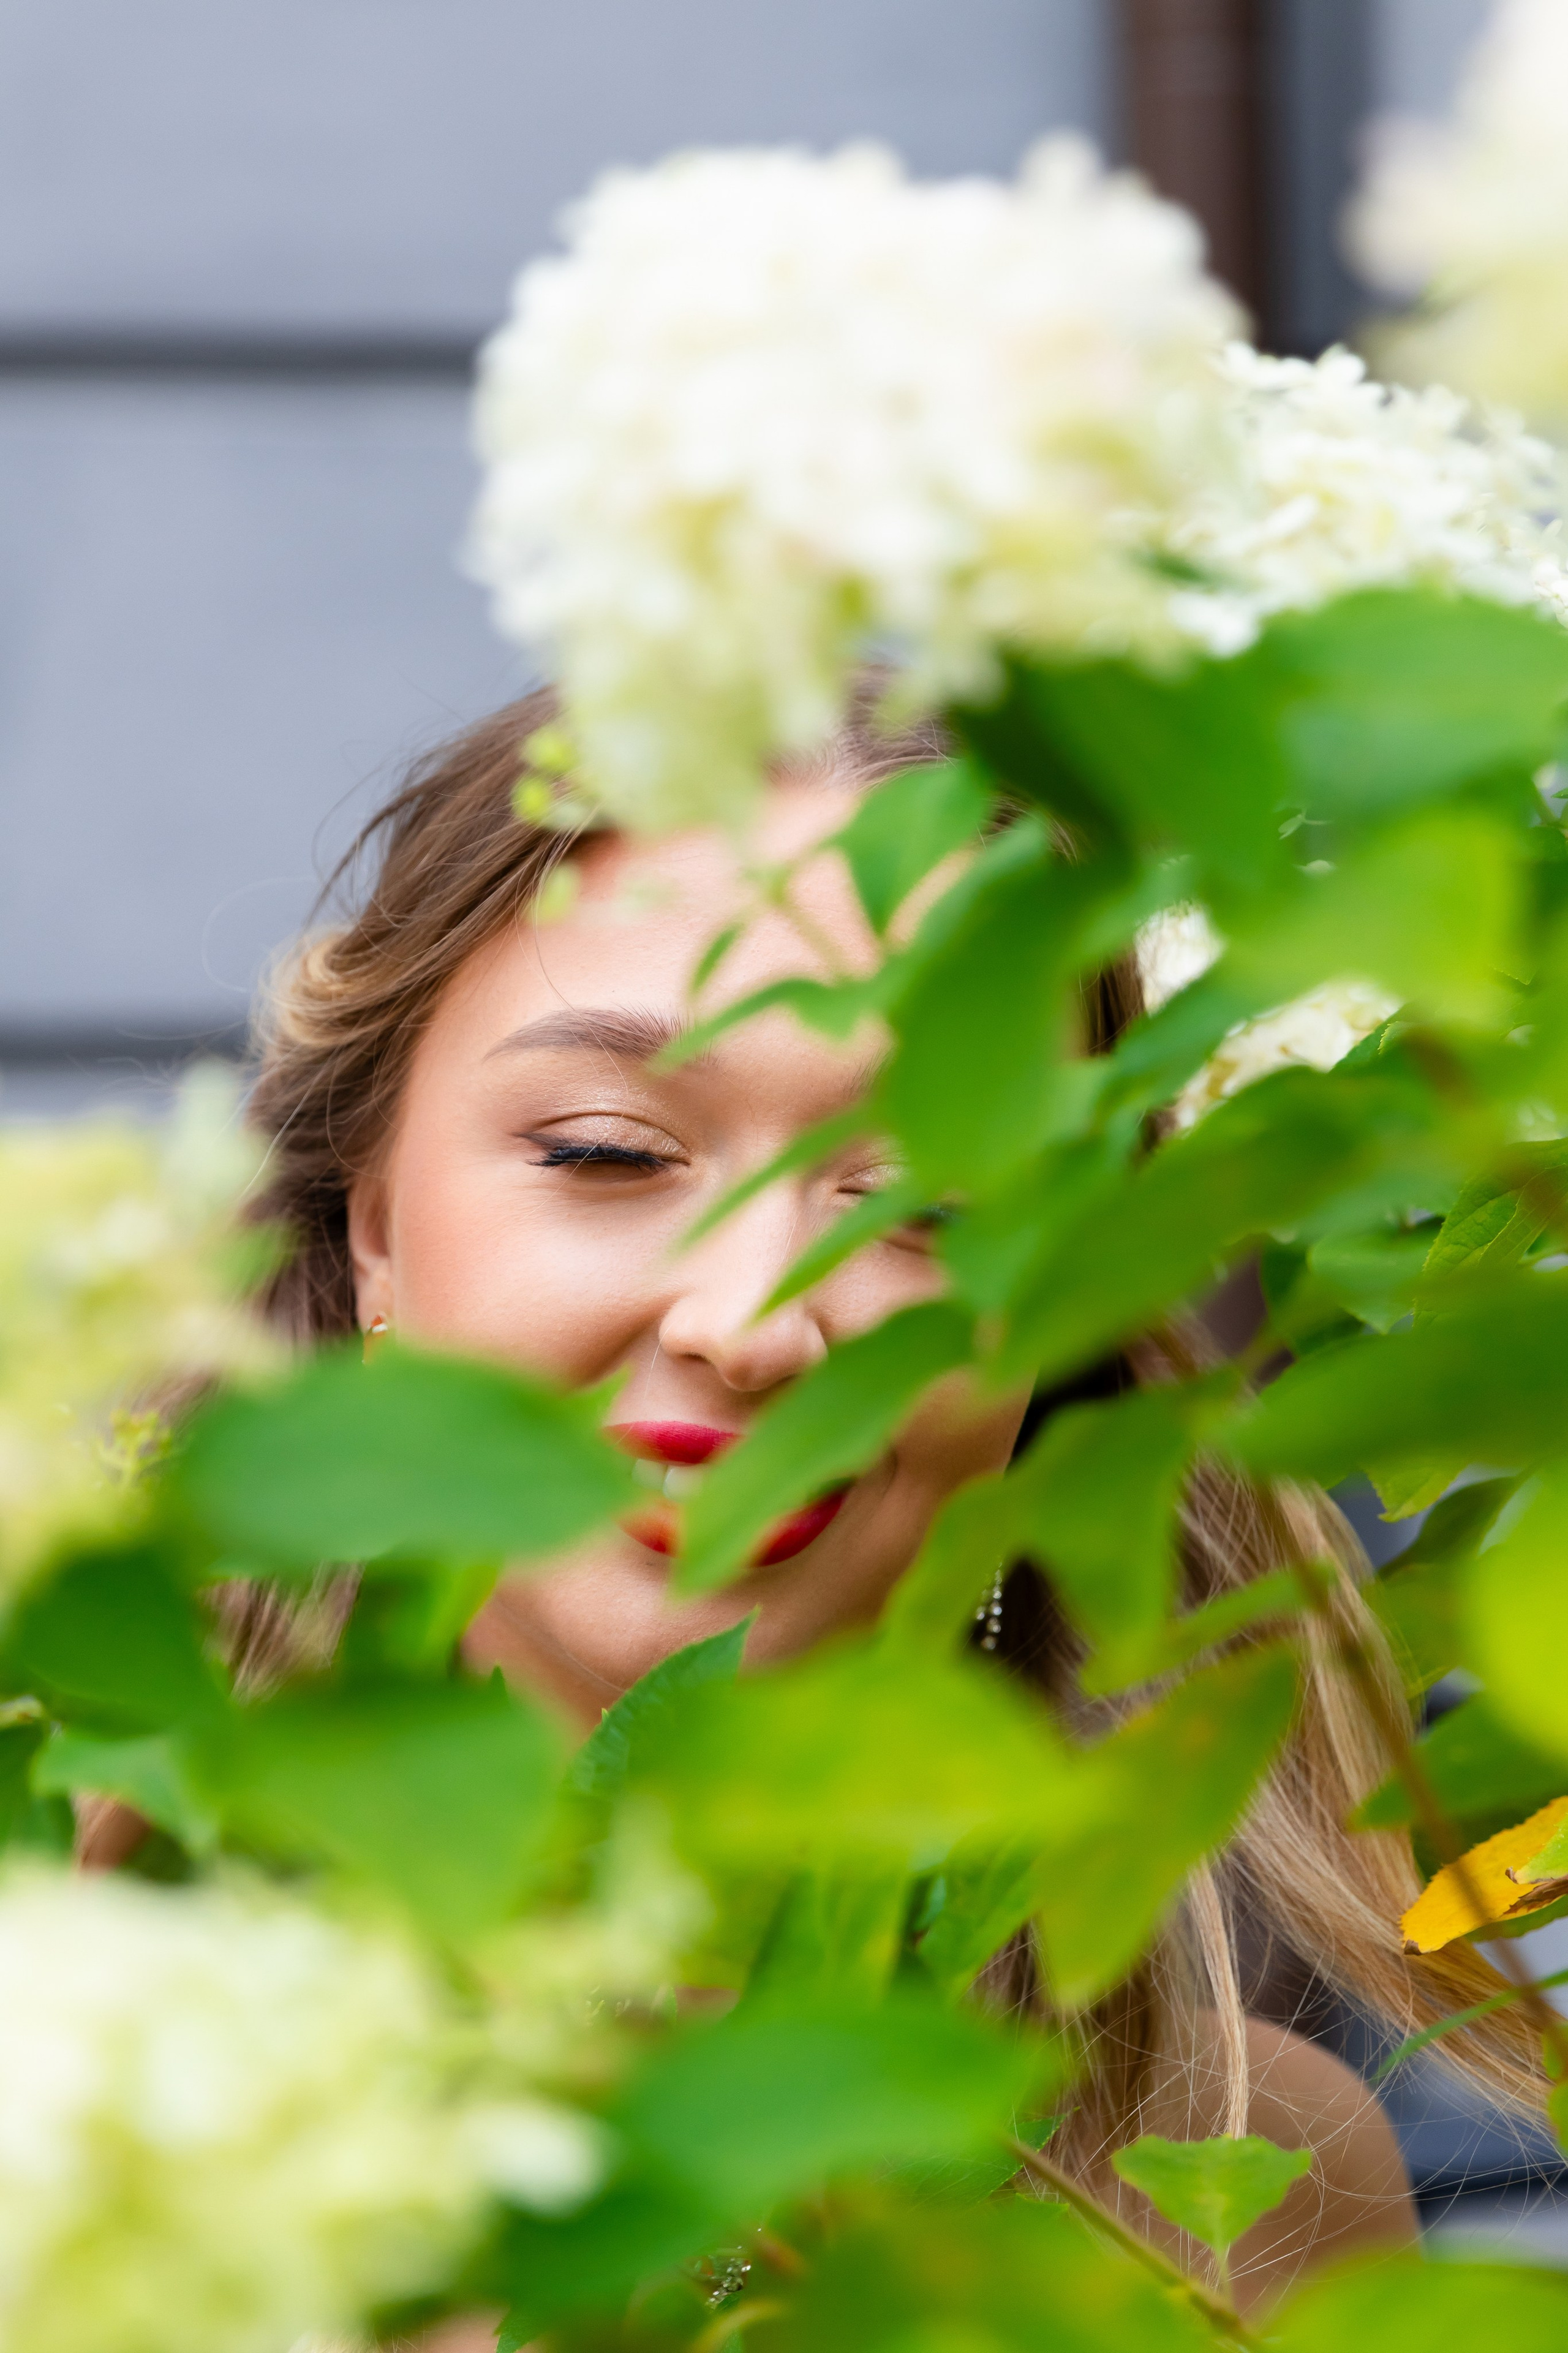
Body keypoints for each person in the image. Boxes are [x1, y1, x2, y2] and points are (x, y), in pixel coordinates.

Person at [246, 686, 1540, 2316]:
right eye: (605, 1151)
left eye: (925, 1201)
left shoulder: (1230, 2176)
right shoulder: (79, 2051)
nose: (756, 1315)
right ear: (373, 1228)